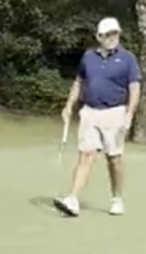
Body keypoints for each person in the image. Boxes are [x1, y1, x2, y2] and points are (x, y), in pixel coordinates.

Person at [54, 17, 141, 217]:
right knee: (86, 154)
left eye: (115, 33)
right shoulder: (88, 57)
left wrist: (129, 113)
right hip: (90, 112)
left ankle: (117, 198)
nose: (112, 37)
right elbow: (79, 82)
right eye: (108, 34)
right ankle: (73, 199)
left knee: (114, 158)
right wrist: (69, 105)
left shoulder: (127, 58)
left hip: (115, 112)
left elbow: (134, 87)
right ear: (99, 37)